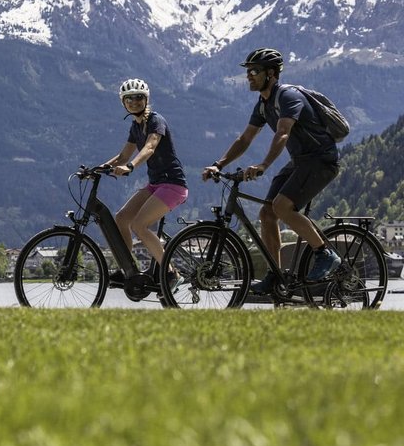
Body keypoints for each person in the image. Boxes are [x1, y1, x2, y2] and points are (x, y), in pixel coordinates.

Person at [202, 47, 341, 294]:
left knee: (282, 206)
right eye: (248, 71)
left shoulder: (288, 96)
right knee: (267, 214)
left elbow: (283, 133)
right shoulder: (263, 104)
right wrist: (219, 164)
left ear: (271, 74)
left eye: (254, 71)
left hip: (321, 160)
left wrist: (263, 165)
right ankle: (275, 275)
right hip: (300, 161)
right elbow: (245, 139)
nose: (249, 76)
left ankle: (324, 253)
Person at [100, 78, 188, 291]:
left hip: (173, 185)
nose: (134, 102)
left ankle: (172, 273)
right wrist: (99, 168)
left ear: (146, 99)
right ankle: (128, 269)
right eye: (129, 99)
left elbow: (150, 147)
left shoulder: (156, 121)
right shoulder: (135, 126)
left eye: (139, 97)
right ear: (123, 102)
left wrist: (130, 166)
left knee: (139, 225)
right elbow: (123, 155)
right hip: (155, 184)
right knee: (122, 218)